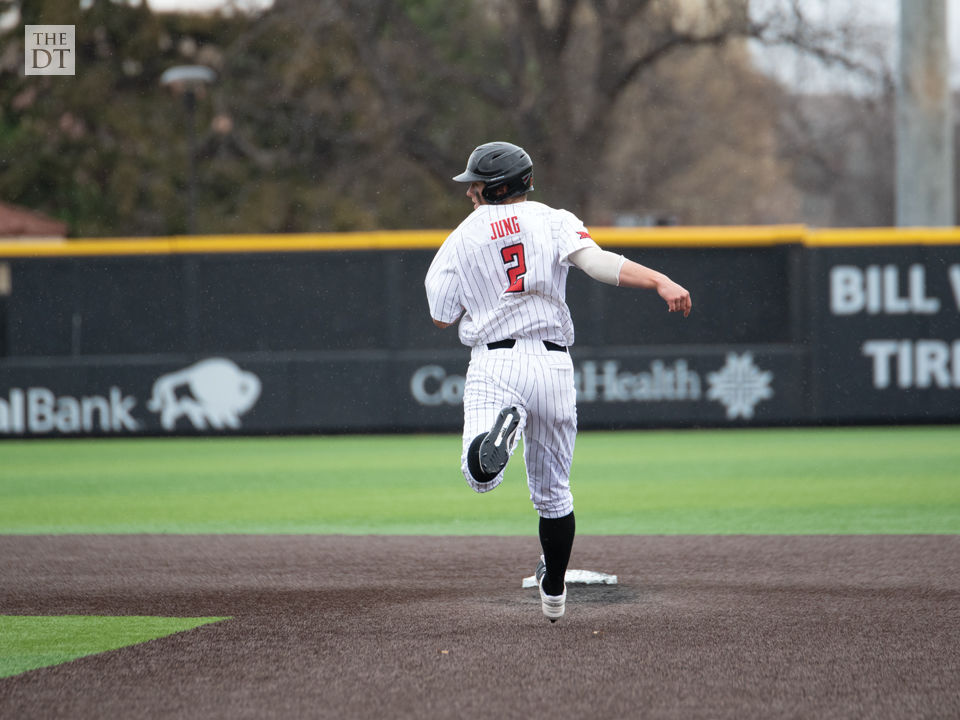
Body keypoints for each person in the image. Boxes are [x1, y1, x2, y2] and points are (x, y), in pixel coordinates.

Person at [424, 141, 691, 622]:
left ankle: (500, 432)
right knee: (553, 494)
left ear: (496, 186)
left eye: (476, 185)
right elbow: (598, 264)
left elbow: (441, 316)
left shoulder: (461, 239)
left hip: (496, 361)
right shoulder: (554, 219)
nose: (470, 193)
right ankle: (554, 590)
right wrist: (658, 281)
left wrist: (486, 289)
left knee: (480, 476)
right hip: (552, 365)